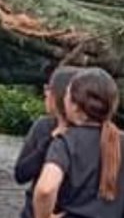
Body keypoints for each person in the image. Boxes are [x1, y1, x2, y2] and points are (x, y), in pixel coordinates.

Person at [34, 67, 124, 218]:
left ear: (75, 106)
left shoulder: (66, 141)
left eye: (67, 94)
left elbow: (46, 189)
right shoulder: (120, 139)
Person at [15, 65, 81, 218]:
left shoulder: (90, 133)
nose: (45, 92)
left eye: (49, 88)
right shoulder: (43, 126)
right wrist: (50, 140)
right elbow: (21, 174)